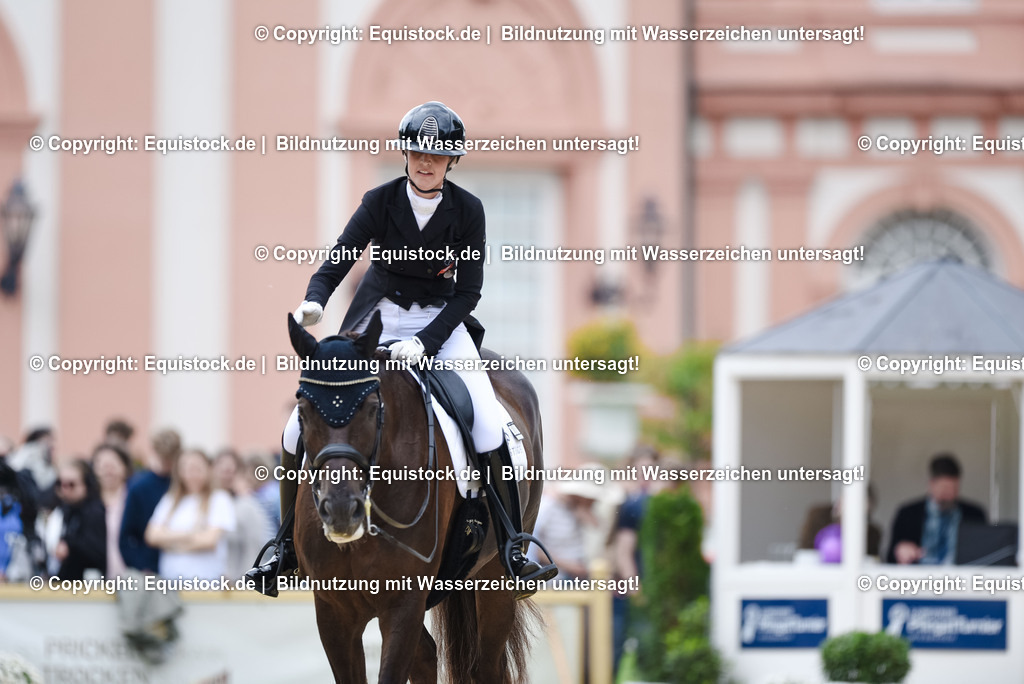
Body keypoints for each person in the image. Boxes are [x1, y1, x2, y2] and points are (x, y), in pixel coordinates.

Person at [247, 101, 557, 596]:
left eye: (436, 155)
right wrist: (314, 299)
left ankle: (513, 546)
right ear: (406, 154)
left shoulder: (468, 211)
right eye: (417, 152)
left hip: (441, 322)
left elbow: (468, 292)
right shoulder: (380, 200)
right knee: (293, 429)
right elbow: (340, 257)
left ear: (451, 161)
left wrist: (426, 341)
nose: (425, 162)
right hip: (377, 316)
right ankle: (285, 548)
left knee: (486, 421)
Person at [145, 449, 236, 580]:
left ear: (207, 469)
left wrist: (169, 542)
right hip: (170, 581)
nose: (191, 474)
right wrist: (190, 534)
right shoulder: (170, 500)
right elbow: (152, 535)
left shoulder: (219, 499)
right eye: (186, 468)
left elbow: (209, 540)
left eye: (196, 468)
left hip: (205, 582)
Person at [887, 453, 987, 565]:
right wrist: (900, 552)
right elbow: (889, 557)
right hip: (919, 574)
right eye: (944, 489)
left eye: (954, 488)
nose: (949, 495)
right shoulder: (907, 514)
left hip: (962, 574)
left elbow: (986, 554)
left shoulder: (975, 515)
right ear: (931, 484)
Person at [120, 429, 180, 573]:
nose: (167, 463)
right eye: (164, 457)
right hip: (150, 569)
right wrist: (141, 565)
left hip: (180, 565)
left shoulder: (182, 484)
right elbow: (126, 536)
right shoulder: (139, 487)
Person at [212, 448, 274, 579]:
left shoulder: (246, 504)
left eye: (231, 472)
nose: (226, 477)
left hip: (239, 580)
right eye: (222, 470)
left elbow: (257, 545)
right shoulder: (215, 501)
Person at [52, 459, 107, 580]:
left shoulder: (95, 511)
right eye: (60, 484)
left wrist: (70, 547)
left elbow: (97, 552)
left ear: (86, 484)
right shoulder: (65, 509)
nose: (64, 489)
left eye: (71, 484)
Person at [92, 442, 133, 577]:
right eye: (103, 466)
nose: (108, 471)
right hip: (96, 578)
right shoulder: (89, 502)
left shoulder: (133, 499)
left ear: (125, 467)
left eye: (113, 465)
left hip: (130, 576)